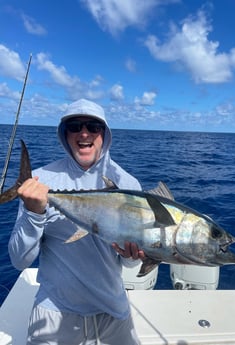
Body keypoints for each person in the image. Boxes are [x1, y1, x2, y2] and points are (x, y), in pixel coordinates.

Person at [8, 99, 145, 345]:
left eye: (93, 126)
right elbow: (19, 261)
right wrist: (33, 213)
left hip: (112, 312)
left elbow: (129, 262)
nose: (84, 133)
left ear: (104, 134)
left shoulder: (128, 185)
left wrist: (132, 255)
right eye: (74, 126)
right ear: (65, 134)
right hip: (54, 311)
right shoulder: (41, 180)